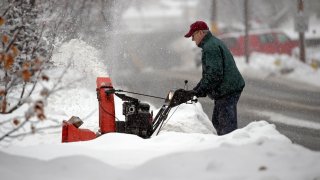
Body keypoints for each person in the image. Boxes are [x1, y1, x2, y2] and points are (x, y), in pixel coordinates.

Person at [184, 21, 245, 135]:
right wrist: (196, 90)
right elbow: (210, 75)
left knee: (226, 128)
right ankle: (225, 145)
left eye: (193, 35)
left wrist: (198, 91)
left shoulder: (210, 47)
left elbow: (214, 74)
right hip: (226, 89)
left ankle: (229, 148)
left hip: (227, 90)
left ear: (201, 33)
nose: (192, 39)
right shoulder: (211, 43)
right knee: (217, 122)